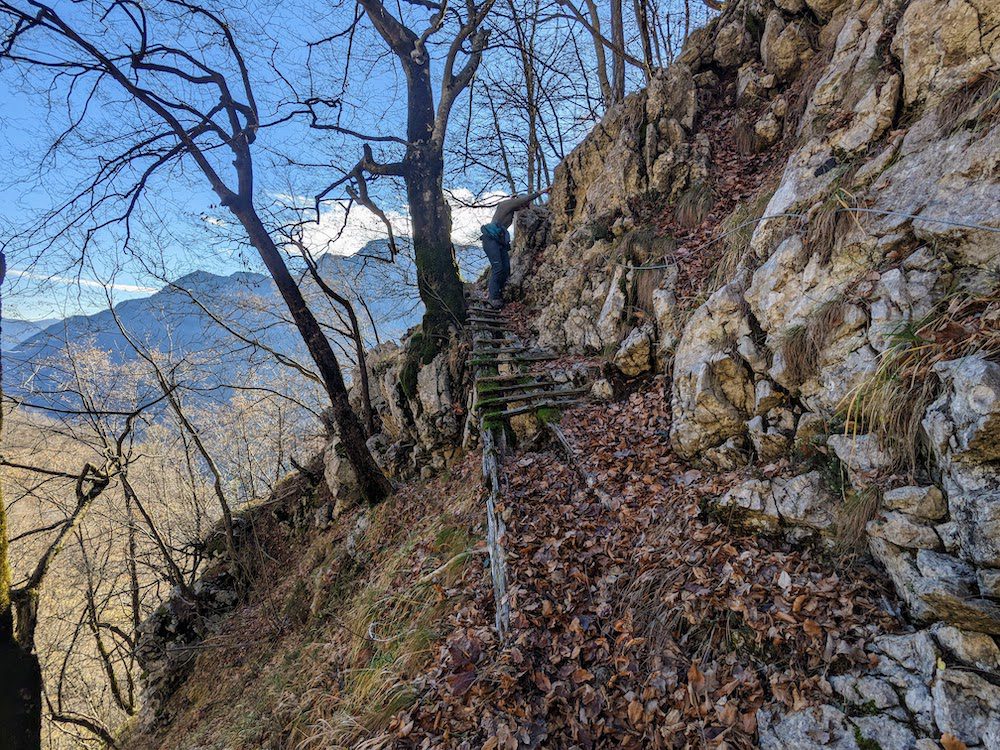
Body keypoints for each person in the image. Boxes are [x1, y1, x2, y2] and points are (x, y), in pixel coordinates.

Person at [480, 188, 549, 309]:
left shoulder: (510, 209)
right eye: (524, 206)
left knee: (506, 269)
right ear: (520, 202)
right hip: (490, 240)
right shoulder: (507, 204)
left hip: (499, 241)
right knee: (498, 267)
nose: (524, 209)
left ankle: (498, 293)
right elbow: (526, 198)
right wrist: (542, 192)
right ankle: (493, 298)